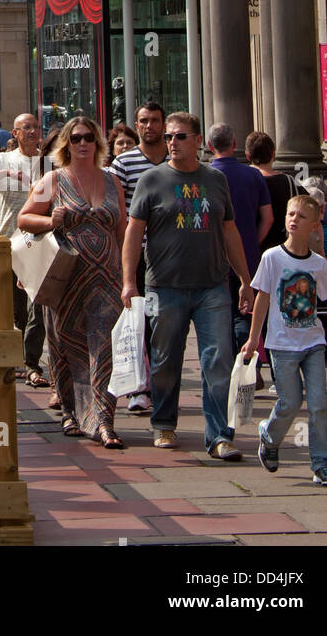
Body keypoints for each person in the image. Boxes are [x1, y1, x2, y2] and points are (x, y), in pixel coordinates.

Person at [121, 112, 255, 459]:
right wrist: (128, 281)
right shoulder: (152, 180)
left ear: (198, 141)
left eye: (180, 136)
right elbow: (133, 232)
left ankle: (220, 436)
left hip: (212, 286)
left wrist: (245, 280)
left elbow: (229, 230)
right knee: (165, 360)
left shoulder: (215, 180)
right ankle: (164, 424)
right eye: (169, 137)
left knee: (218, 360)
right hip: (164, 286)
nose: (172, 143)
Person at [18, 116, 127, 448]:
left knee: (104, 348)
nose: (83, 143)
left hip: (107, 279)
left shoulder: (112, 181)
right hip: (66, 278)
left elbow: (122, 229)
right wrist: (50, 220)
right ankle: (70, 412)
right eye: (76, 138)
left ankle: (104, 420)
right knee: (65, 346)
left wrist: (129, 275)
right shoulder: (53, 179)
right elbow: (24, 218)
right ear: (66, 144)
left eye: (89, 138)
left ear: (98, 143)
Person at [243, 194, 327, 487]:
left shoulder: (319, 264)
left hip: (313, 343)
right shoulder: (272, 258)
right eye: (291, 214)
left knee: (319, 405)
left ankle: (322, 464)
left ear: (315, 225)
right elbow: (262, 299)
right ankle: (270, 436)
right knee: (290, 402)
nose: (294, 219)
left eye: (301, 216)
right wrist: (253, 340)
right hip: (282, 345)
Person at [0, 111, 48, 386]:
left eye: (36, 127)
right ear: (15, 133)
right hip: (10, 243)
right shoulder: (2, 160)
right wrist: (4, 174)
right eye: (26, 127)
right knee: (16, 310)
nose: (33, 131)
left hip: (41, 243)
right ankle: (16, 359)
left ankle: (31, 363)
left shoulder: (47, 162)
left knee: (38, 308)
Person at [110, 102, 170, 415]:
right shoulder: (123, 163)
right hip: (140, 254)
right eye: (144, 121)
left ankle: (162, 386)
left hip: (173, 255)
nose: (149, 126)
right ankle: (140, 387)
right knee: (141, 323)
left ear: (163, 123)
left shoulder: (176, 157)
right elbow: (117, 211)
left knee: (166, 324)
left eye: (155, 120)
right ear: (137, 125)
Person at [207, 123, 273, 351]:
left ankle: (228, 363)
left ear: (209, 146)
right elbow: (268, 218)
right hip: (248, 256)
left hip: (215, 257)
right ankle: (247, 360)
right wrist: (253, 242)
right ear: (234, 144)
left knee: (219, 317)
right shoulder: (253, 174)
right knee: (245, 312)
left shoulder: (205, 176)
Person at [246, 132, 297, 253]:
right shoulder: (288, 181)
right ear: (273, 154)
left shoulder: (245, 180)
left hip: (252, 247)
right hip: (283, 247)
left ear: (248, 156)